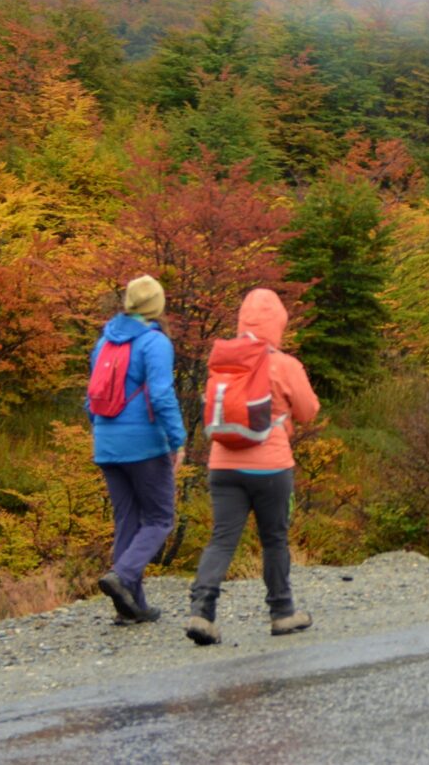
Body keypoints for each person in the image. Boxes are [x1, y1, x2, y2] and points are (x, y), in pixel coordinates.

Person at [186, 286, 321, 644]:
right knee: (274, 540)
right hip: (271, 468)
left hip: (223, 465)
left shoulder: (224, 363)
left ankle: (202, 612)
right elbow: (309, 412)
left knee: (221, 539)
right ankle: (282, 613)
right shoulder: (284, 364)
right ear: (278, 324)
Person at [88, 274, 186, 624]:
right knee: (160, 519)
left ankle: (131, 607)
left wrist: (100, 433)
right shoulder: (154, 343)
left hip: (106, 442)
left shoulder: (104, 342)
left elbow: (91, 398)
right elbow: (161, 395)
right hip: (143, 444)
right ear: (157, 305)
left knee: (127, 520)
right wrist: (178, 440)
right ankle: (123, 576)